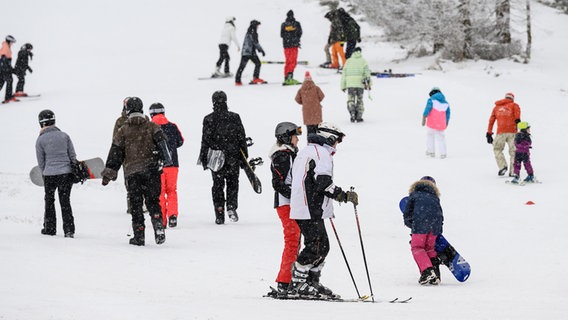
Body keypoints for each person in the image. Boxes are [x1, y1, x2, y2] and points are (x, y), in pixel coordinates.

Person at [287, 122, 358, 299]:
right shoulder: (321, 153)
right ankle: (298, 285)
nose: (337, 145)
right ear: (330, 138)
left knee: (322, 246)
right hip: (309, 207)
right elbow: (323, 183)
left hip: (308, 206)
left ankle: (311, 282)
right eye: (337, 140)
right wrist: (344, 195)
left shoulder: (309, 151)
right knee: (316, 246)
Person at [101, 97, 172, 246]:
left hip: (133, 173)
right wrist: (165, 160)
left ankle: (139, 235)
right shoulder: (152, 127)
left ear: (128, 111)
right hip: (152, 171)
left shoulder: (123, 131)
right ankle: (158, 225)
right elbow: (163, 145)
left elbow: (115, 155)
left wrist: (109, 174)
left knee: (136, 204)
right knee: (153, 201)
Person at [199, 91, 248, 224]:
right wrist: (245, 157)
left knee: (217, 185)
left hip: (216, 157)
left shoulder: (208, 119)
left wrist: (203, 157)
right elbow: (241, 137)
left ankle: (219, 211)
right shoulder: (235, 117)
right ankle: (231, 206)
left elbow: (205, 140)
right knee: (233, 182)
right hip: (233, 155)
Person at [268, 122, 302, 297]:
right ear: (287, 137)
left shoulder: (289, 154)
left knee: (295, 240)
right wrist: (294, 195)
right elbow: (278, 183)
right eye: (295, 136)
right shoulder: (282, 156)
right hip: (285, 204)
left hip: (291, 203)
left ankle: (291, 279)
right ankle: (284, 282)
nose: (298, 140)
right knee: (292, 240)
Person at [35, 109, 77, 238]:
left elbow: (41, 162)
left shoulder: (40, 140)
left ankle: (50, 228)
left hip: (49, 175)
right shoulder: (64, 136)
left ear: (41, 123)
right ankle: (69, 230)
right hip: (66, 173)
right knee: (65, 201)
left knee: (49, 201)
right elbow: (72, 156)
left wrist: (45, 173)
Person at [402, 176, 443, 285]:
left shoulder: (414, 195)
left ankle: (427, 271)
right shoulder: (435, 198)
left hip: (420, 224)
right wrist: (439, 230)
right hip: (434, 226)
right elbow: (440, 215)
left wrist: (411, 225)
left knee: (417, 247)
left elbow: (407, 213)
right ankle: (435, 275)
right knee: (429, 248)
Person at [149, 103, 184, 227]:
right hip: (173, 164)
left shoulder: (150, 127)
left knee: (159, 192)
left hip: (158, 165)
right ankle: (173, 215)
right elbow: (181, 141)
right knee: (172, 191)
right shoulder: (172, 126)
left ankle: (162, 219)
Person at [486, 92, 521, 176]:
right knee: (514, 151)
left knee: (497, 149)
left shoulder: (496, 108)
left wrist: (489, 133)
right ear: (512, 99)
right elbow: (517, 118)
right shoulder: (514, 105)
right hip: (512, 132)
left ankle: (502, 166)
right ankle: (513, 171)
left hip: (500, 132)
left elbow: (491, 121)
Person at [340, 47, 371, 122]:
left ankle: (352, 113)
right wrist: (369, 85)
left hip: (350, 84)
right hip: (360, 84)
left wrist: (343, 86)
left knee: (351, 100)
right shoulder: (363, 61)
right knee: (360, 100)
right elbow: (367, 74)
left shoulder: (348, 61)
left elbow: (344, 74)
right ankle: (359, 116)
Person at [422, 87, 451, 159]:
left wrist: (424, 117)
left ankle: (431, 151)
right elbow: (448, 114)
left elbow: (427, 108)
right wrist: (446, 122)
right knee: (441, 138)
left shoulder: (431, 100)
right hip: (441, 124)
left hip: (431, 123)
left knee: (430, 136)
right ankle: (443, 154)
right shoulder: (446, 103)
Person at [235, 20, 266, 85]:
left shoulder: (250, 31)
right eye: (257, 25)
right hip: (249, 52)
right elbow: (255, 43)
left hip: (247, 52)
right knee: (255, 64)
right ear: (255, 25)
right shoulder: (253, 32)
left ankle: (238, 80)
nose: (258, 27)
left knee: (255, 64)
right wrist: (261, 50)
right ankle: (254, 78)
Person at [280, 10, 303, 85]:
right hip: (293, 45)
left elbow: (281, 35)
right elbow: (300, 33)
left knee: (288, 62)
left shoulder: (283, 24)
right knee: (293, 61)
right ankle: (290, 78)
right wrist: (295, 37)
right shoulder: (296, 24)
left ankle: (286, 78)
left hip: (286, 46)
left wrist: (288, 35)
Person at [0, 35, 17, 104]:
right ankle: (8, 97)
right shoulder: (5, 48)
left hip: (3, 68)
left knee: (1, 82)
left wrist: (10, 68)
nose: (12, 44)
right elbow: (3, 59)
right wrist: (8, 68)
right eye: (12, 42)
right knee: (9, 80)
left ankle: (9, 96)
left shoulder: (6, 47)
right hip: (3, 68)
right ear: (9, 41)